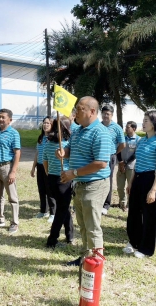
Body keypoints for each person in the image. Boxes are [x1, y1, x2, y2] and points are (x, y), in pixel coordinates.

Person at [57, 96, 111, 266]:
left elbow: (101, 163)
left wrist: (73, 172)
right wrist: (64, 152)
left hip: (94, 185)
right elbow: (70, 148)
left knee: (92, 226)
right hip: (80, 184)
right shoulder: (79, 130)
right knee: (83, 225)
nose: (75, 113)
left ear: (92, 112)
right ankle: (86, 258)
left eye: (80, 109)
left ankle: (95, 263)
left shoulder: (101, 132)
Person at [123, 110, 156, 258]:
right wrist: (131, 182)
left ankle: (146, 248)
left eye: (147, 120)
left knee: (149, 216)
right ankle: (134, 242)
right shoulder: (141, 141)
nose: (143, 122)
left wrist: (153, 190)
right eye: (144, 119)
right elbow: (137, 164)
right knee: (133, 213)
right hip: (138, 178)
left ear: (155, 124)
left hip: (150, 179)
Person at [43, 118, 74, 248]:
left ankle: (70, 235)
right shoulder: (66, 145)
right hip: (64, 180)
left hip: (51, 179)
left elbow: (44, 161)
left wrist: (49, 173)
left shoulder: (48, 143)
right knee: (61, 210)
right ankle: (52, 240)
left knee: (64, 207)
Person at [100, 105, 125, 215]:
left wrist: (114, 152)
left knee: (108, 179)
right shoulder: (98, 126)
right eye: (104, 113)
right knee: (98, 179)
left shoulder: (117, 127)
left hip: (110, 157)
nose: (106, 116)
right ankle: (98, 202)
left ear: (112, 115)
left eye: (108, 114)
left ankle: (106, 204)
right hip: (97, 157)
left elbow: (123, 144)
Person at [30, 116, 56, 222]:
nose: (45, 125)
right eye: (44, 123)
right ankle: (43, 211)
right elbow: (37, 153)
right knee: (41, 189)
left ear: (52, 125)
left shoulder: (53, 138)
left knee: (50, 191)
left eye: (48, 123)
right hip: (40, 166)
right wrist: (33, 167)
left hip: (49, 167)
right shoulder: (41, 138)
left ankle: (53, 213)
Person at [116, 121, 141, 212]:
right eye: (125, 127)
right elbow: (118, 150)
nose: (126, 129)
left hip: (131, 167)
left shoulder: (138, 140)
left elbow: (135, 154)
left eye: (128, 127)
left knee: (130, 187)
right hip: (121, 166)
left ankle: (130, 204)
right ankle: (122, 203)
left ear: (134, 129)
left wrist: (125, 163)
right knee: (120, 186)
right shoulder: (122, 138)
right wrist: (120, 162)